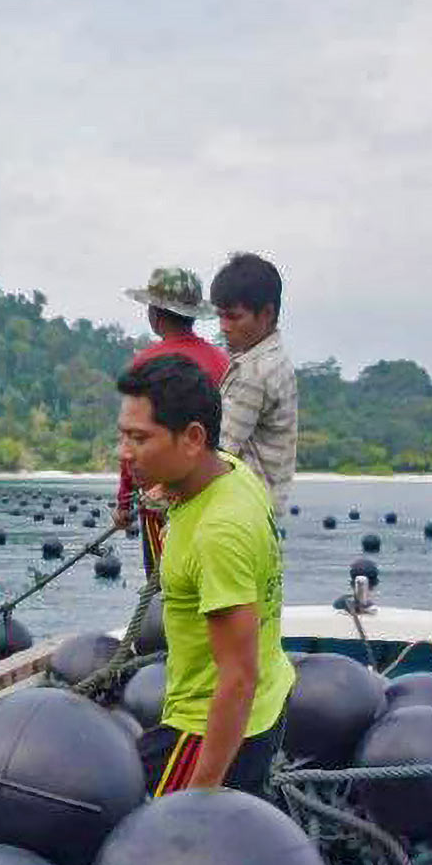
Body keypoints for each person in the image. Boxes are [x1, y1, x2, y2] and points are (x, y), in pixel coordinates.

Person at [115, 355, 293, 794]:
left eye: (140, 438)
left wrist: (199, 801)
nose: (124, 452)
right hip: (270, 699)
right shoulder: (234, 472)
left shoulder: (219, 534)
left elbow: (237, 677)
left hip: (208, 729)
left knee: (133, 824)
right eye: (123, 435)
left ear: (193, 438)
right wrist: (167, 489)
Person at [113, 266, 230, 574]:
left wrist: (124, 503)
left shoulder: (147, 364)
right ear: (192, 314)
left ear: (155, 313)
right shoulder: (221, 361)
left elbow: (136, 441)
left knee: (166, 584)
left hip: (160, 493)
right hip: (214, 489)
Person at [210, 252, 297, 511]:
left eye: (234, 317)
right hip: (262, 509)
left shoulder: (254, 372)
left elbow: (219, 453)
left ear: (267, 314)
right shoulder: (275, 359)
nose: (224, 326)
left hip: (241, 509)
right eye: (220, 316)